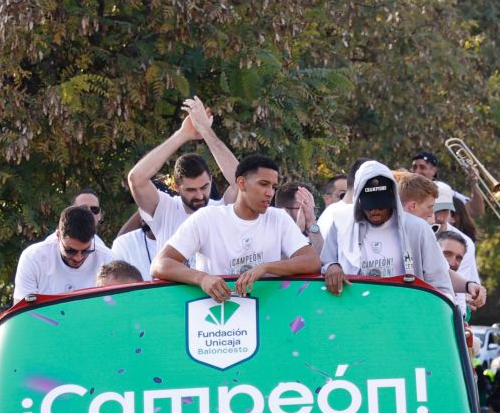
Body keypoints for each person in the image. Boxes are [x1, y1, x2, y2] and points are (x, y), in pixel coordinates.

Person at [154, 153, 320, 296]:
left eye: (273, 186)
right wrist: (202, 278)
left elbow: (312, 261)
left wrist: (266, 267)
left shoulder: (278, 218)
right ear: (241, 183)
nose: (270, 193)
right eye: (263, 184)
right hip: (215, 316)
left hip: (267, 313)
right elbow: (160, 264)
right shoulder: (206, 218)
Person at [319, 162, 454, 303]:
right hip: (356, 310)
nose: (375, 211)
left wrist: (449, 314)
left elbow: (439, 281)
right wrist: (332, 266)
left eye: (381, 205)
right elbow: (326, 261)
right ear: (358, 200)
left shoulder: (417, 228)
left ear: (392, 199)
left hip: (403, 313)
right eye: (369, 206)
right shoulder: (341, 224)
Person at [125, 96, 238, 242]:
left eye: (204, 187)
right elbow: (136, 179)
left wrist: (205, 130)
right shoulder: (166, 210)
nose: (199, 195)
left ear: (210, 179)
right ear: (177, 187)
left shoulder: (221, 210)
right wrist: (183, 134)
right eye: (191, 190)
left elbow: (241, 182)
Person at [13, 204, 111, 300]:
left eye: (86, 251)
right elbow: (22, 312)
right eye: (70, 251)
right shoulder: (33, 258)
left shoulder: (108, 260)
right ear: (58, 235)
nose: (78, 257)